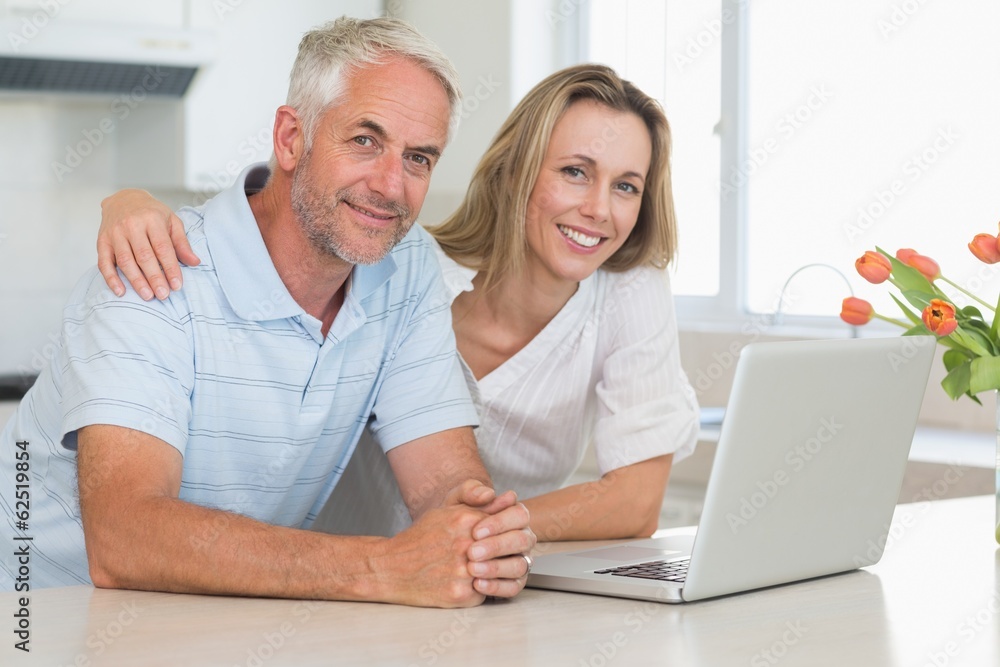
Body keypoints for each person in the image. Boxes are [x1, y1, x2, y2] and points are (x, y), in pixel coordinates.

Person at [0, 16, 535, 607]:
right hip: (31, 622)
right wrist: (382, 567)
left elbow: (446, 485)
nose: (391, 184)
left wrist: (481, 539)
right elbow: (125, 537)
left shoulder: (407, 268)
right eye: (365, 140)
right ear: (290, 138)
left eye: (419, 158)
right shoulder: (156, 267)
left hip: (201, 629)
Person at [96, 64, 700, 543]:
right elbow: (289, 223)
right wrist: (129, 200)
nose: (599, 208)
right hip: (323, 567)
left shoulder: (629, 288)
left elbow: (634, 500)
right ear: (516, 173)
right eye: (574, 172)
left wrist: (478, 537)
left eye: (627, 186)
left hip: (453, 573)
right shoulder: (407, 272)